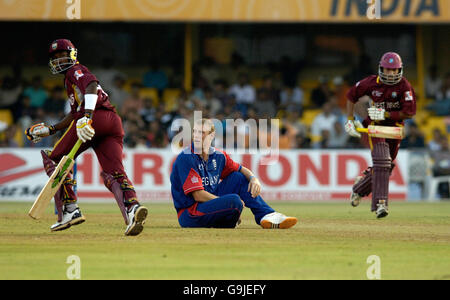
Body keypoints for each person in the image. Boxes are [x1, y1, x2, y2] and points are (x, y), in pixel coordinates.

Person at [24, 39, 148, 235]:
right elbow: (74, 113)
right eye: (54, 57)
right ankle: (132, 209)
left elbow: (91, 85)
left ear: (72, 54)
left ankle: (70, 209)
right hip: (112, 121)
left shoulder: (75, 70)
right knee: (113, 171)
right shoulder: (69, 79)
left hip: (95, 117)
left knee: (54, 158)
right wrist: (52, 129)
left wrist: (87, 117)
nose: (58, 60)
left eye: (62, 55)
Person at [170, 118, 298, 229]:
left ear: (211, 135)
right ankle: (227, 216)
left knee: (239, 177)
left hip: (209, 204)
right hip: (190, 213)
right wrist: (225, 202)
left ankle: (267, 215)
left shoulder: (218, 156)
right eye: (195, 132)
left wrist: (254, 179)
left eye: (201, 133)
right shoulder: (186, 157)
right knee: (234, 201)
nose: (196, 136)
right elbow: (198, 195)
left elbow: (241, 169)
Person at [344, 52, 416, 218]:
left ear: (400, 70)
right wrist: (349, 120)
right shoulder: (371, 82)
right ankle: (380, 204)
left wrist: (386, 115)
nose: (390, 74)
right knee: (382, 162)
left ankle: (359, 188)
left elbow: (409, 112)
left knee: (386, 167)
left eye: (394, 70)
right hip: (375, 126)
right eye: (387, 70)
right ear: (381, 68)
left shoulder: (405, 85)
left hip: (394, 128)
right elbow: (351, 95)